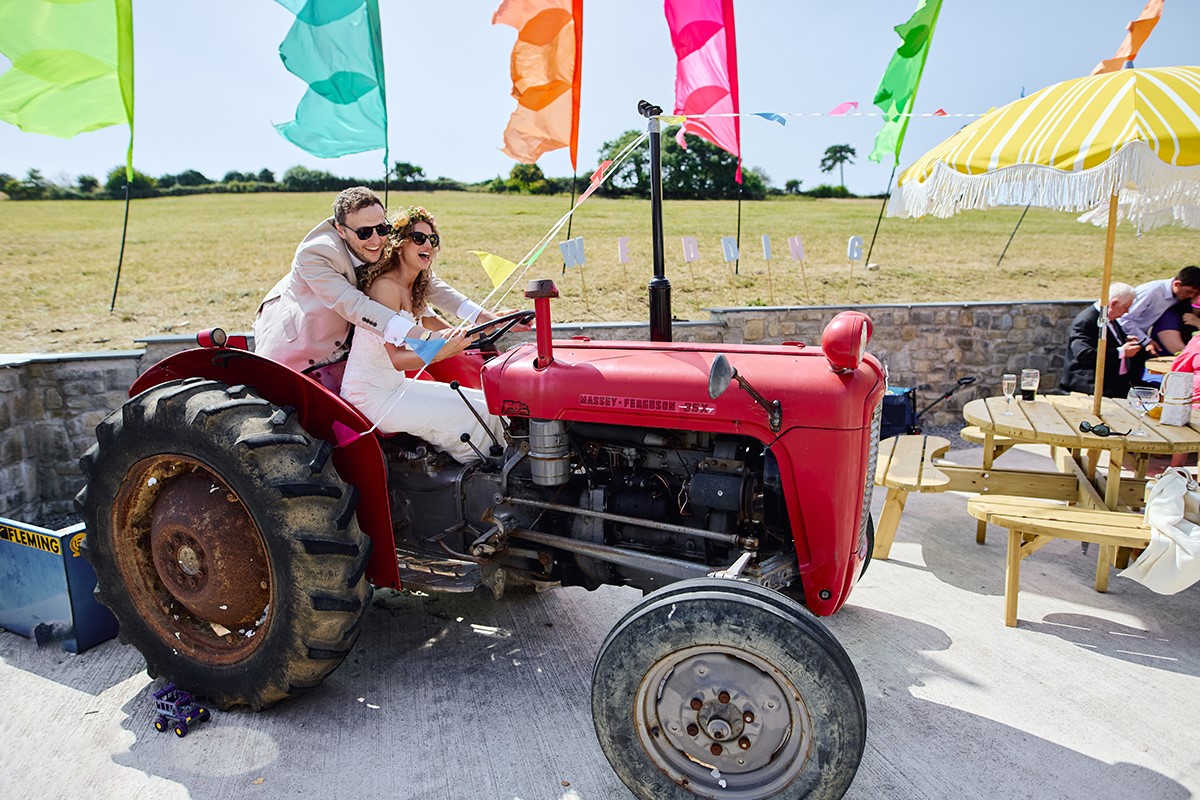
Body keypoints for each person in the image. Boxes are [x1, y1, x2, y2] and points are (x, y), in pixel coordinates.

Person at [252, 186, 511, 373]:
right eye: (365, 233)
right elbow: (353, 305)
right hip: (302, 345)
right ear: (340, 230)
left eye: (382, 228)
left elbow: (426, 281)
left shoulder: (377, 242)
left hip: (353, 351)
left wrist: (482, 317)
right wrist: (421, 336)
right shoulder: (317, 254)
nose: (376, 239)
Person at [340, 206, 504, 464]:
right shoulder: (385, 287)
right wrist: (441, 353)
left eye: (433, 239)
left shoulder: (414, 287)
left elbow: (442, 329)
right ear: (399, 244)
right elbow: (398, 359)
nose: (428, 244)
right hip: (370, 397)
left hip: (395, 387)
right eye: (419, 238)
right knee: (470, 420)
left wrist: (490, 324)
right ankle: (487, 474)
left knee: (489, 406)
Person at [1060, 282, 1144, 397]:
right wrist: (1122, 351)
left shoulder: (1110, 318)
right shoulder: (1086, 321)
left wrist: (1124, 341)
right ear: (1114, 304)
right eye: (1126, 307)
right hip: (1092, 385)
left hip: (1117, 381)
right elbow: (1084, 354)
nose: (1127, 312)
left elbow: (1108, 341)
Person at [1118, 265, 1200, 357]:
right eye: (1189, 291)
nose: (1191, 296)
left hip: (1138, 338)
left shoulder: (1179, 296)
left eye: (1196, 293)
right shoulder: (1150, 292)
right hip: (1122, 337)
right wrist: (1146, 341)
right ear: (1177, 284)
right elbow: (1125, 319)